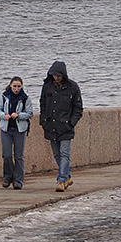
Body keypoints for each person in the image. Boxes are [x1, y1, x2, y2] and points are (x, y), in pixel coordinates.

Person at [39, 60, 83, 192]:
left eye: (59, 75)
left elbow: (78, 109)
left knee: (65, 154)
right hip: (51, 126)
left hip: (65, 127)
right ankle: (67, 176)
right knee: (57, 155)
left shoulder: (72, 87)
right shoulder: (47, 86)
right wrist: (44, 121)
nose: (56, 78)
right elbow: (43, 104)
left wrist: (71, 123)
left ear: (64, 75)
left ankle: (61, 180)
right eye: (54, 75)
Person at [0, 76, 34, 190]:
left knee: (18, 156)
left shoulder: (25, 98)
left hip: (19, 130)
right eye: (14, 86)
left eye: (18, 86)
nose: (16, 89)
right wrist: (4, 116)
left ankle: (18, 180)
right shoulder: (4, 96)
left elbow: (29, 113)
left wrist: (19, 115)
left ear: (21, 87)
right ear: (10, 85)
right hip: (6, 129)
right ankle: (8, 177)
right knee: (6, 155)